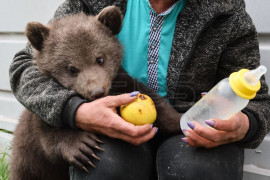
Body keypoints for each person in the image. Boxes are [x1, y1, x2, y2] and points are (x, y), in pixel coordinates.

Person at [9, 0, 270, 179]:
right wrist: (74, 111)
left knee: (198, 170)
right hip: (106, 126)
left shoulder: (227, 13)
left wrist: (246, 124)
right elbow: (24, 66)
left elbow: (258, 100)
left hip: (189, 125)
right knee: (103, 162)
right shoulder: (90, 3)